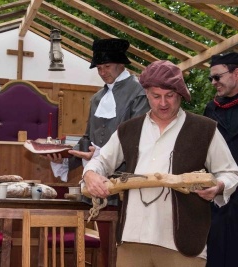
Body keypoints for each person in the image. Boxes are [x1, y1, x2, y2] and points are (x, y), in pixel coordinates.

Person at [82, 60, 238, 267]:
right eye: (156, 96)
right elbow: (100, 161)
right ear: (146, 94)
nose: (163, 103)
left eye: (170, 96)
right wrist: (90, 174)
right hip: (132, 239)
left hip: (184, 245)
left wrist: (218, 187)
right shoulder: (128, 129)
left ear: (181, 94)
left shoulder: (204, 129)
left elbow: (229, 172)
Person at [47, 38, 150, 266]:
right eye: (99, 68)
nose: (102, 73)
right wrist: (65, 158)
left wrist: (100, 154)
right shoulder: (97, 98)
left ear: (121, 65)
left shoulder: (139, 93)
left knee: (129, 250)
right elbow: (87, 139)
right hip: (99, 183)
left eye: (107, 67)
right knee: (106, 248)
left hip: (129, 183)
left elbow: (138, 137)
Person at [204, 52, 238, 267]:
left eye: (218, 77)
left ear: (236, 73)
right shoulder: (211, 108)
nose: (214, 83)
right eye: (211, 79)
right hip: (220, 194)